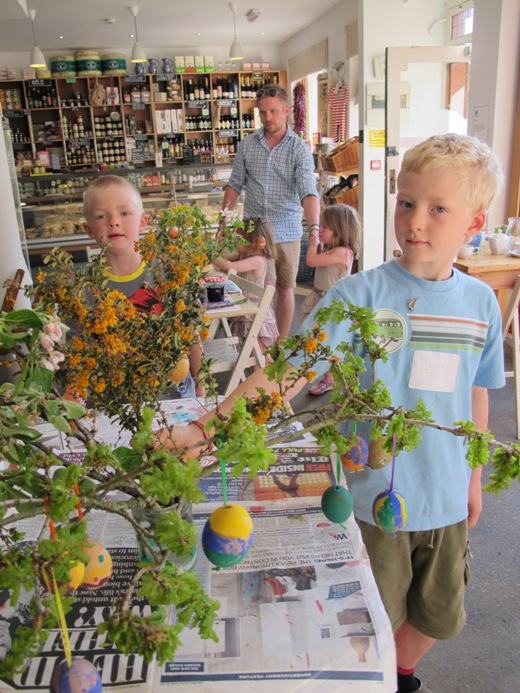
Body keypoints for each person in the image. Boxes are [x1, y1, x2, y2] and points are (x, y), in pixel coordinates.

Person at [159, 133, 505, 693]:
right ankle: (382, 675)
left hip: (445, 497)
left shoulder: (480, 305)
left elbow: (477, 395)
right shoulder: (358, 297)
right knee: (375, 609)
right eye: (406, 201)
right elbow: (284, 372)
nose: (416, 220)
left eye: (439, 208)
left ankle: (400, 672)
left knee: (438, 613)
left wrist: (474, 477)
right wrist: (208, 426)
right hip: (373, 495)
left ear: (474, 222)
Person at [82, 175, 203, 397]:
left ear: (143, 222)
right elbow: (80, 353)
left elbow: (191, 333)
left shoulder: (169, 271)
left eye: (124, 213)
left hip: (177, 399)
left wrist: (202, 388)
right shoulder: (85, 289)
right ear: (89, 229)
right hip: (119, 406)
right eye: (101, 216)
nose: (113, 221)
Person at [221, 84, 320, 337]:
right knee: (258, 288)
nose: (268, 118)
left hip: (286, 230)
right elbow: (234, 186)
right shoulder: (248, 144)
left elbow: (308, 192)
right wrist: (224, 223)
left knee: (286, 289)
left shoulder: (298, 149)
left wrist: (315, 231)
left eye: (274, 111)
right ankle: (256, 340)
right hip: (254, 229)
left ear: (286, 110)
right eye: (263, 112)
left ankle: (279, 345)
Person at [299, 203, 361, 395]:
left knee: (326, 339)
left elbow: (310, 261)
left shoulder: (342, 252)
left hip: (329, 302)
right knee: (311, 334)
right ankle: (327, 375)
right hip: (319, 296)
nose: (320, 230)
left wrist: (312, 242)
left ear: (340, 229)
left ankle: (331, 378)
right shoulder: (331, 249)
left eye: (325, 226)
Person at [213, 217, 278, 356]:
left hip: (254, 314)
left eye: (239, 238)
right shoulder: (242, 255)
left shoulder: (257, 261)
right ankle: (257, 375)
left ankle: (263, 377)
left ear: (254, 242)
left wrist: (209, 254)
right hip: (245, 309)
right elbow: (224, 259)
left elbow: (227, 265)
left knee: (258, 355)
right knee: (250, 353)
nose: (235, 241)